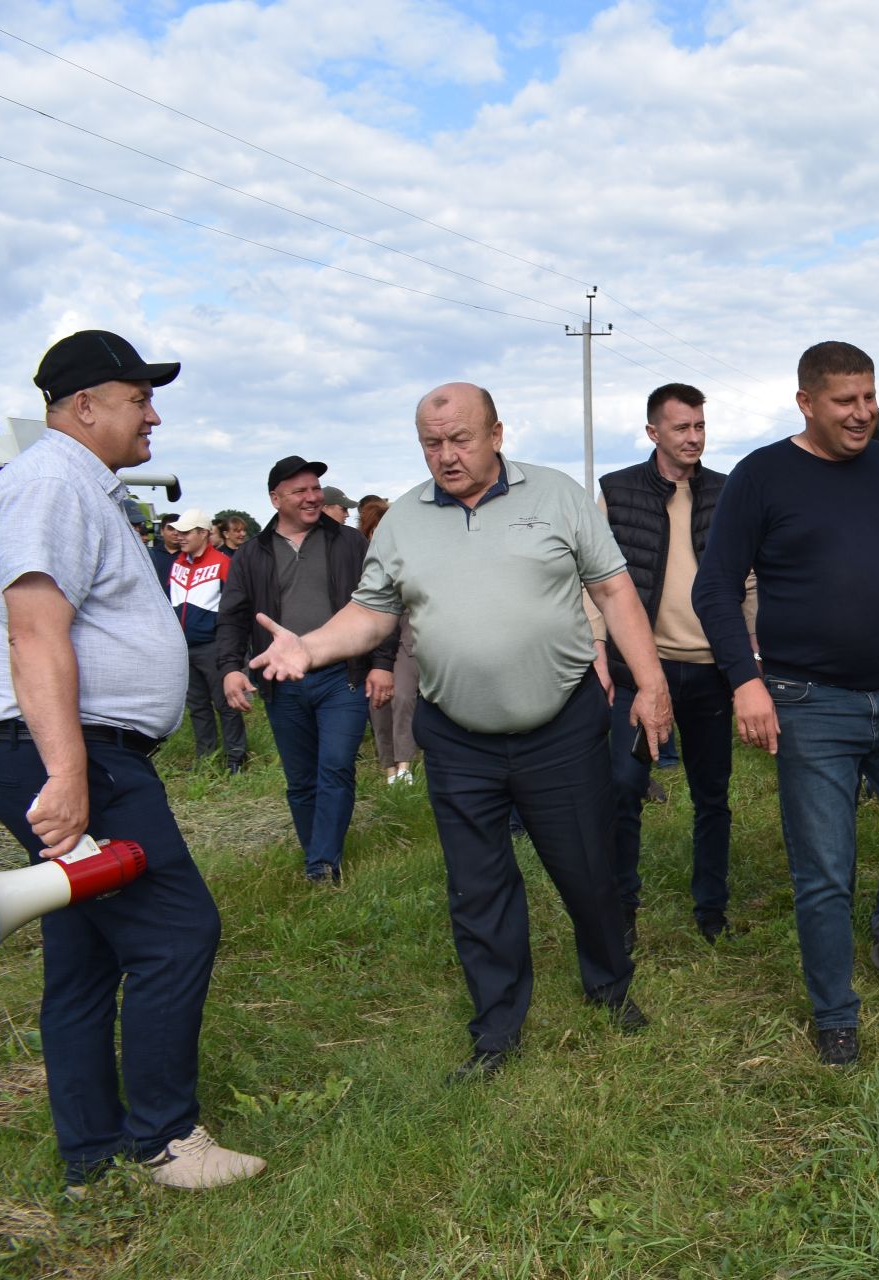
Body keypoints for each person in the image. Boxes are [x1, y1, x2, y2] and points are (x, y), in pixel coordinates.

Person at [249, 382, 673, 1080]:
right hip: (458, 735)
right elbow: (373, 613)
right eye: (430, 443)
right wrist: (311, 647)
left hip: (560, 727)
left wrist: (651, 684)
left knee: (588, 870)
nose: (445, 456)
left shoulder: (558, 495)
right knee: (478, 887)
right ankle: (497, 1027)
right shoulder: (405, 520)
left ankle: (609, 985)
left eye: (460, 440)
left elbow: (613, 590)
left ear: (497, 433)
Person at [0, 329, 262, 1192]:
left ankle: (90, 1155)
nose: (154, 414)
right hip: (71, 751)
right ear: (85, 405)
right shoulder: (54, 482)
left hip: (64, 746)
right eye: (139, 398)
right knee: (177, 932)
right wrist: (68, 774)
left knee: (87, 954)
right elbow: (35, 631)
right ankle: (166, 1139)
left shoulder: (70, 485)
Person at [692, 341, 879, 1067]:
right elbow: (714, 586)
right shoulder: (762, 477)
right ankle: (835, 1011)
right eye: (846, 401)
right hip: (809, 700)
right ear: (806, 402)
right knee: (825, 868)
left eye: (869, 398)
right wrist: (745, 680)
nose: (862, 413)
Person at [593, 382, 753, 946]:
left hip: (710, 670)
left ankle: (712, 910)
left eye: (700, 426)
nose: (694, 438)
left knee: (714, 793)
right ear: (653, 432)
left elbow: (746, 579)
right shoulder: (617, 491)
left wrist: (749, 658)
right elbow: (594, 581)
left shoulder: (727, 492)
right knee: (623, 786)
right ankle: (622, 910)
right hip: (642, 669)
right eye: (682, 427)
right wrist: (599, 652)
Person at [217, 456, 391, 884]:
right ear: (276, 499)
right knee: (300, 779)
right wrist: (230, 669)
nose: (313, 497)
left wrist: (382, 665)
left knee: (335, 766)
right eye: (301, 491)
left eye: (316, 488)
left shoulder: (349, 543)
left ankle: (322, 863)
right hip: (282, 683)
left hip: (341, 677)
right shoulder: (253, 554)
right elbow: (233, 616)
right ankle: (316, 850)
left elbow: (382, 602)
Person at [168, 507, 247, 773]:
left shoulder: (223, 563)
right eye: (178, 532)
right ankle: (207, 758)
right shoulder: (177, 563)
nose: (180, 537)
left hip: (213, 645)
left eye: (187, 532)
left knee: (225, 703)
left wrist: (231, 646)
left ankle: (236, 758)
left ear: (203, 533)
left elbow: (235, 606)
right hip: (183, 648)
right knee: (198, 707)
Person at [356, 497, 419, 784]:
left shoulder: (410, 555)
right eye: (375, 532)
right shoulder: (361, 564)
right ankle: (389, 768)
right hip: (372, 632)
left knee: (404, 694)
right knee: (377, 700)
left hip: (408, 628)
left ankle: (405, 765)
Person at [149, 512, 182, 582]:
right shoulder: (150, 555)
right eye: (171, 528)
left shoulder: (190, 556)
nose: (176, 533)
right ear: (162, 531)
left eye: (179, 529)